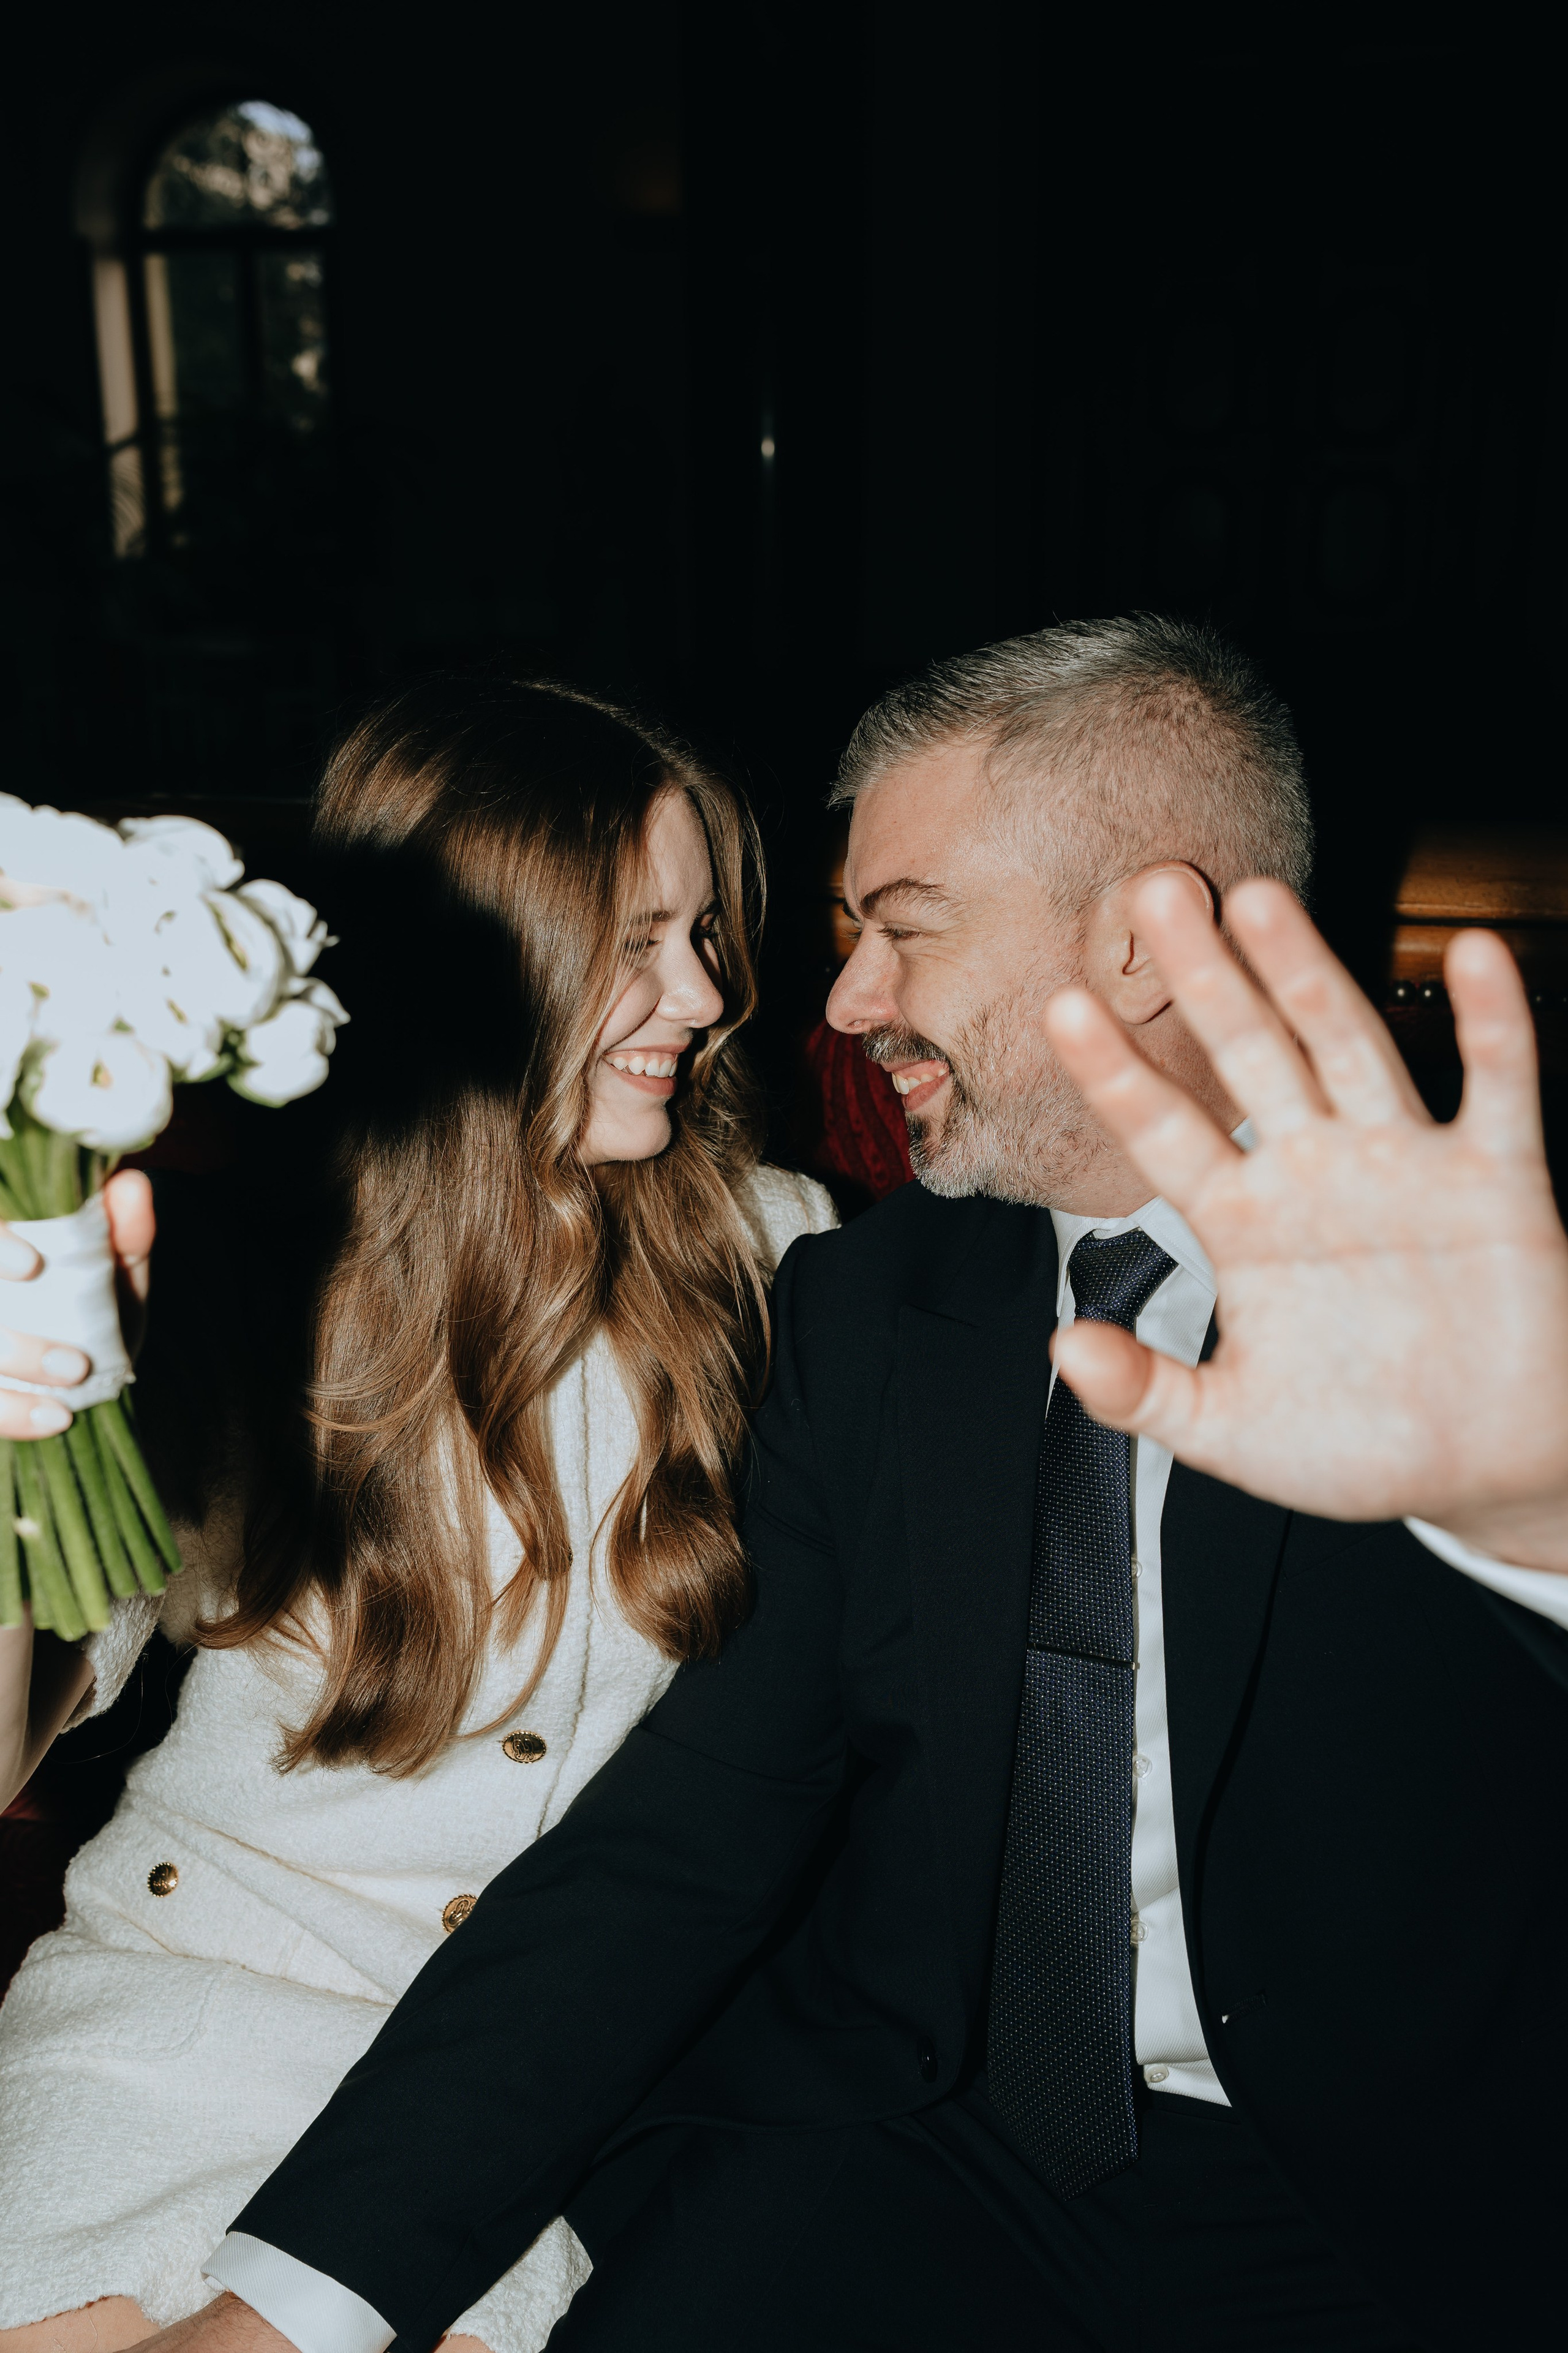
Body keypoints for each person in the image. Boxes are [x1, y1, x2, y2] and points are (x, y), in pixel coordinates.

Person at [96, 618, 1568, 2352]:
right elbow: (681, 1843)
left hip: (1410, 2211)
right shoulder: (874, 1310)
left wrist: (1537, 1519)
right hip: (925, 2153)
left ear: (1140, 940)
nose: (835, 1000)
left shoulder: (1495, 1293)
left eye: (901, 929)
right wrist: (284, 2315)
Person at [0, 678, 835, 2353]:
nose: (711, 994)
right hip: (177, 2011)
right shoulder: (232, 1280)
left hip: (534, 2088)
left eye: (706, 933)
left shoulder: (779, 1256)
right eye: (641, 939)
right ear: (485, 956)